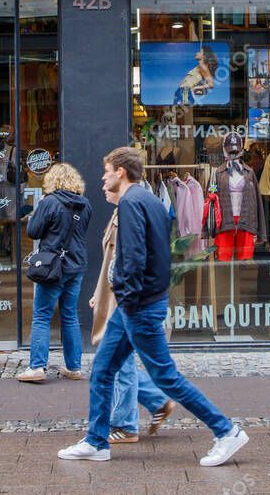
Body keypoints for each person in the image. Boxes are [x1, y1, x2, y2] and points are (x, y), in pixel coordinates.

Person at [58, 147, 249, 466]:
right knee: (103, 370)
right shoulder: (149, 200)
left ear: (121, 171)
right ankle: (96, 441)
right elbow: (160, 256)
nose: (103, 178)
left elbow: (133, 258)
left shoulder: (132, 203)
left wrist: (129, 299)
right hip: (138, 303)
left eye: (106, 172)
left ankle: (226, 431)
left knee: (166, 377)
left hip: (138, 306)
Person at [90, 188, 175, 444]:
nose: (102, 185)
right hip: (118, 297)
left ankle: (126, 425)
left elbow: (123, 264)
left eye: (107, 178)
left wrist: (114, 297)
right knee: (114, 361)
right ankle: (157, 400)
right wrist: (99, 292)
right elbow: (110, 262)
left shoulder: (128, 215)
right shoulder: (120, 214)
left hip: (122, 300)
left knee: (118, 365)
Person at [17, 163, 92, 383]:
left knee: (42, 315)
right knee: (69, 315)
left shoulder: (49, 202)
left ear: (53, 181)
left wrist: (38, 211)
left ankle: (37, 367)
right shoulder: (85, 204)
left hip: (53, 266)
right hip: (76, 265)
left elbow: (33, 232)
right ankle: (73, 367)